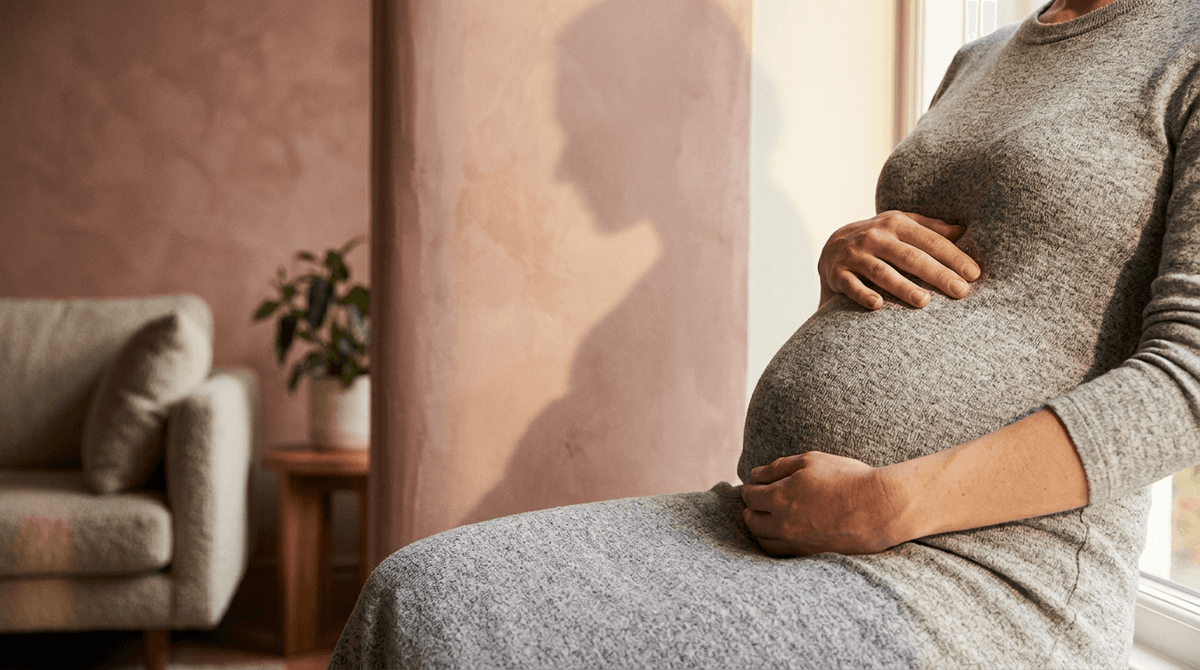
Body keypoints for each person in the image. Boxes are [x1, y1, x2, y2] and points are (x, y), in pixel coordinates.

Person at [332, 0, 1200, 666]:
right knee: (411, 595)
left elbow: (1186, 384)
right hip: (778, 519)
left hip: (981, 582)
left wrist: (893, 503)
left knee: (456, 634)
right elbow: (968, 262)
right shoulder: (983, 56)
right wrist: (846, 251)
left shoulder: (1184, 46)